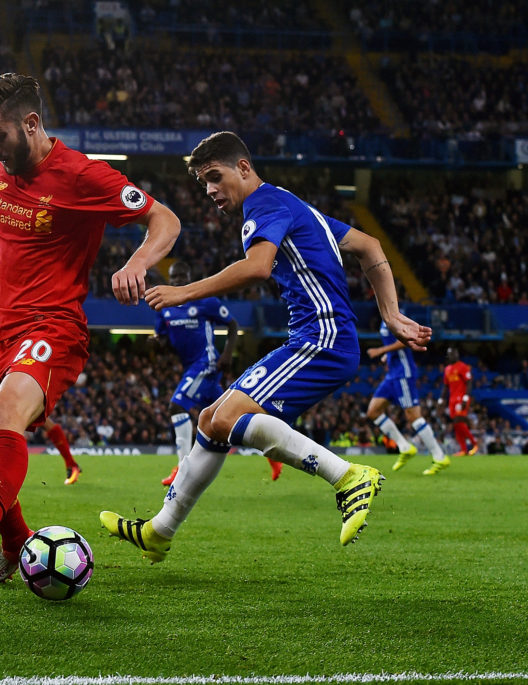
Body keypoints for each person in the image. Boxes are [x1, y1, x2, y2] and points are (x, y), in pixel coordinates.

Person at [101, 131, 431, 562]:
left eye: (215, 177)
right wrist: (389, 312)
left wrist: (183, 292)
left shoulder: (265, 204)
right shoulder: (291, 203)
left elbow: (257, 267)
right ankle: (160, 530)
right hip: (319, 338)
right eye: (204, 184)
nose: (211, 191)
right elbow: (369, 245)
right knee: (210, 420)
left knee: (230, 416)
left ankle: (348, 475)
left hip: (322, 338)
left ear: (244, 167)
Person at [0, 73, 180, 583]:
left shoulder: (84, 176)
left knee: (5, 410)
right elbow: (8, 203)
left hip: (53, 327)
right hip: (1, 331)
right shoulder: (7, 165)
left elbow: (164, 218)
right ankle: (15, 544)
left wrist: (139, 262)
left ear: (31, 124)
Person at [154, 261, 281, 485]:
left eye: (182, 275)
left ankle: (182, 469)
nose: (178, 281)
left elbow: (232, 325)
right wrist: (156, 343)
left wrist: (227, 355)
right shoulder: (165, 306)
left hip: (207, 362)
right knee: (230, 420)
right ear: (169, 280)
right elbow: (163, 340)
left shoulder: (204, 300)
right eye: (174, 277)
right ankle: (272, 454)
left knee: (177, 405)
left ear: (189, 276)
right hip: (192, 366)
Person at [0, 276, 82, 485]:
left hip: (25, 367)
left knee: (11, 420)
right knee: (1, 417)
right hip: (3, 368)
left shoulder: (16, 313)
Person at [366, 318, 450, 475]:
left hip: (403, 374)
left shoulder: (396, 318)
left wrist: (381, 351)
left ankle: (439, 456)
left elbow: (406, 341)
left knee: (413, 417)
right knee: (373, 411)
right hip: (392, 374)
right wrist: (388, 356)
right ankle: (405, 447)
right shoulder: (384, 319)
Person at [444, 347, 478, 456]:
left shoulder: (463, 367)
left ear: (457, 355)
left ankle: (474, 443)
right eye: (450, 354)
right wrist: (440, 399)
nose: (452, 356)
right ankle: (463, 450)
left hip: (461, 398)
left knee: (459, 421)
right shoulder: (447, 369)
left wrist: (465, 398)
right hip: (452, 400)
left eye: (454, 353)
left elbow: (469, 382)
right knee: (456, 424)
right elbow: (445, 385)